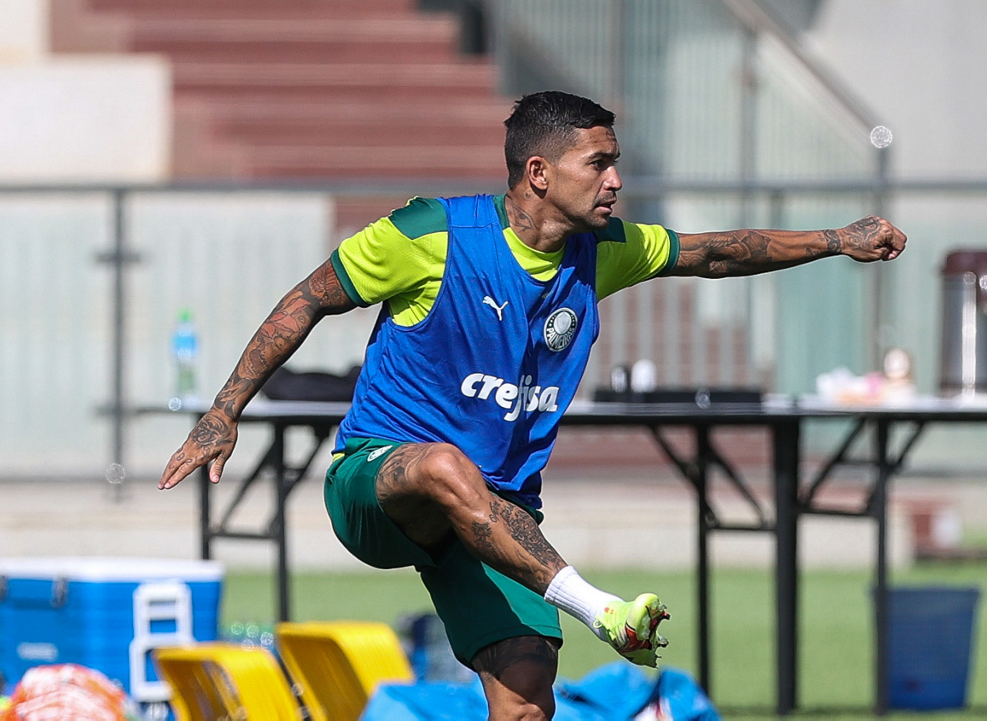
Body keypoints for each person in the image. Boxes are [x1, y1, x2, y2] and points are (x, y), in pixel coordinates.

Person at [159, 90, 906, 720]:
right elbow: (307, 299)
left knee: (525, 701)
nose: (616, 179)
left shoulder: (602, 250)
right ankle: (600, 607)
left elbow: (714, 253)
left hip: (496, 512)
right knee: (444, 466)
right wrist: (225, 411)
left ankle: (564, 617)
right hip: (378, 484)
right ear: (539, 172)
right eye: (599, 163)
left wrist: (837, 239)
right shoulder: (431, 234)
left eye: (615, 161)